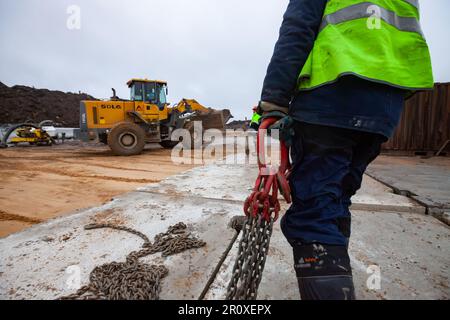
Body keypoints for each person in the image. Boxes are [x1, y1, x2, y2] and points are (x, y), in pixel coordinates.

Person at [258, 0, 433, 300]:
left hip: (330, 97)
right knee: (337, 199)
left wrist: (274, 102)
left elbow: (297, 30)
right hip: (383, 108)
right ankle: (337, 274)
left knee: (315, 212)